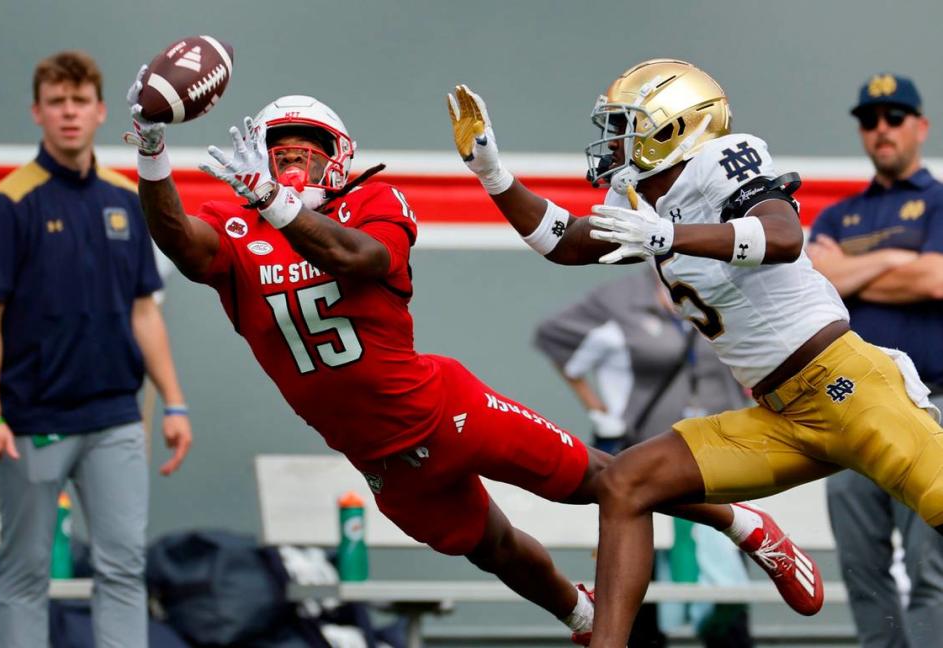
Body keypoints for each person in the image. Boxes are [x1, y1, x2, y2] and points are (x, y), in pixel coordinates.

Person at [123, 60, 821, 646]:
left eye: (308, 149)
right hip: (378, 459)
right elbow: (182, 244)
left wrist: (278, 205)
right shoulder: (235, 225)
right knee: (494, 549)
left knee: (599, 481)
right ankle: (579, 615)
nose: (292, 159)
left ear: (338, 157)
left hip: (443, 409)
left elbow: (361, 258)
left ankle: (744, 523)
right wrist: (151, 146)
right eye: (280, 149)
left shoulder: (371, 202)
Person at [446, 58, 943, 647]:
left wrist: (668, 236)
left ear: (674, 126)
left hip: (848, 388)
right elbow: (567, 243)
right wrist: (494, 174)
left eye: (629, 126)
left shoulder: (721, 159)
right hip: (781, 415)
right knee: (626, 483)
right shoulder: (639, 194)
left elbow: (783, 236)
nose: (616, 141)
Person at [0, 51, 193, 648]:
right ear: (37, 112)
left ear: (101, 112)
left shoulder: (127, 198)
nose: (69, 114)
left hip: (115, 420)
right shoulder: (7, 205)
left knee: (123, 569)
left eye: (80, 102)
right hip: (31, 421)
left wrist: (174, 404)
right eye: (57, 103)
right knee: (24, 575)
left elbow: (144, 310)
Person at [534, 267, 754, 648]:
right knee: (640, 594)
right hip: (645, 457)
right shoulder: (621, 298)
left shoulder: (725, 290)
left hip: (719, 458)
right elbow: (554, 337)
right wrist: (602, 411)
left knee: (728, 586)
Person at [807, 73, 943, 648]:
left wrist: (853, 272)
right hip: (851, 411)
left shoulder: (939, 202)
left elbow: (936, 278)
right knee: (863, 574)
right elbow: (816, 283)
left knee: (931, 572)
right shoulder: (838, 217)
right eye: (870, 119)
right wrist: (897, 259)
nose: (881, 129)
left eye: (893, 117)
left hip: (931, 406)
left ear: (920, 126)